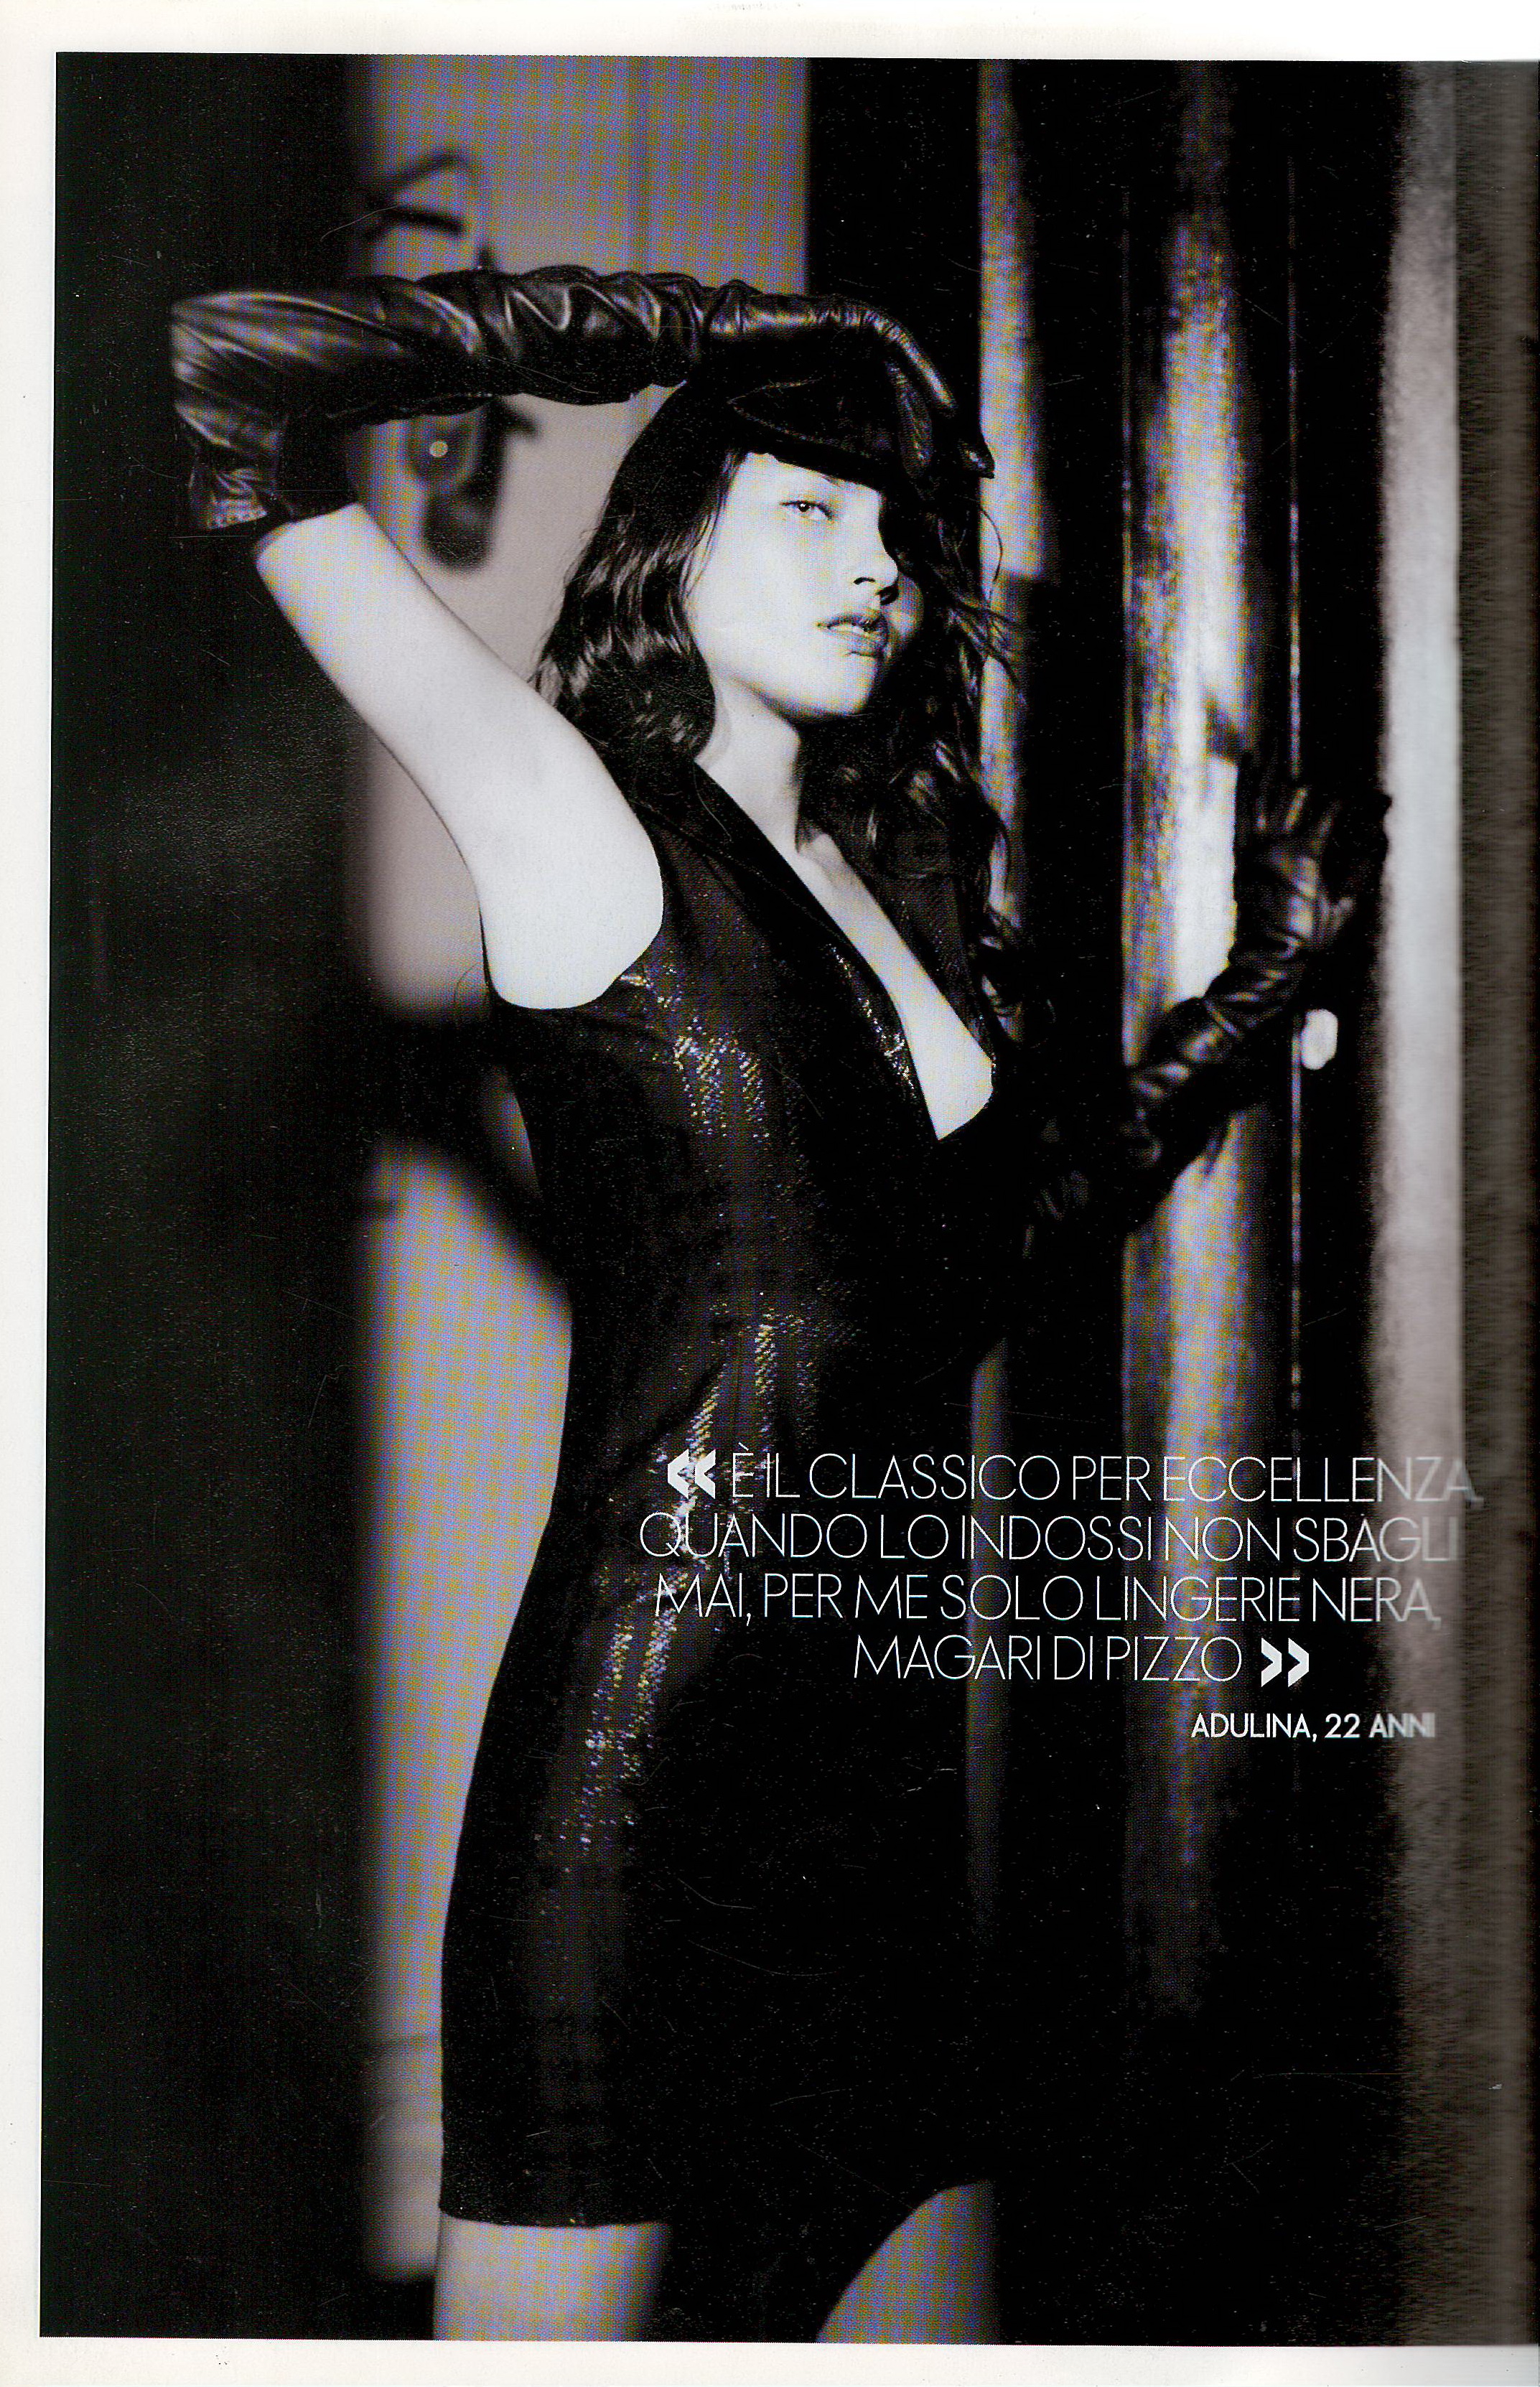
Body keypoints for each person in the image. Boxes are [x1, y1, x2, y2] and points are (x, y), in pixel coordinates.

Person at [172, 265, 1380, 2342]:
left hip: (886, 1822)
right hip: (636, 1815)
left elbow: (996, 1246)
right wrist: (705, 326)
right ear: (674, 535)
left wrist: (1265, 985)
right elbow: (218, 376)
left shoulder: (881, 893)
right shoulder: (562, 807)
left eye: (898, 527)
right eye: (808, 508)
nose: (877, 566)